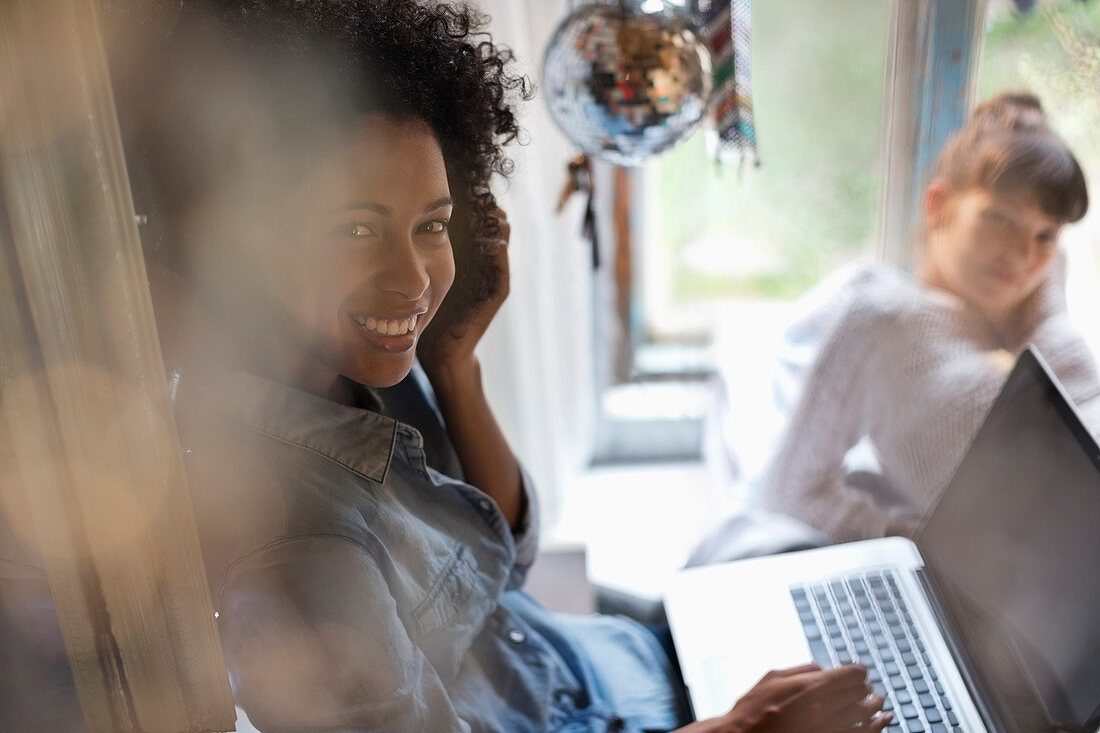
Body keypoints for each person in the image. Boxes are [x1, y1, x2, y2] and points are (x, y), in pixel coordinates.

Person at [95, 1, 894, 731]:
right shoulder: (297, 556)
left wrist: (455, 364)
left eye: (431, 225)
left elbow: (501, 560)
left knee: (798, 558)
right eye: (356, 231)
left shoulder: (346, 367)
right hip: (637, 711)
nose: (412, 281)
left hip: (594, 664)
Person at [693, 92, 1098, 560]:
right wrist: (917, 542)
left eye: (1045, 234)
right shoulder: (883, 316)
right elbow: (790, 493)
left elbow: (1079, 394)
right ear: (938, 206)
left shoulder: (1035, 302)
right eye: (999, 218)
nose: (1024, 255)